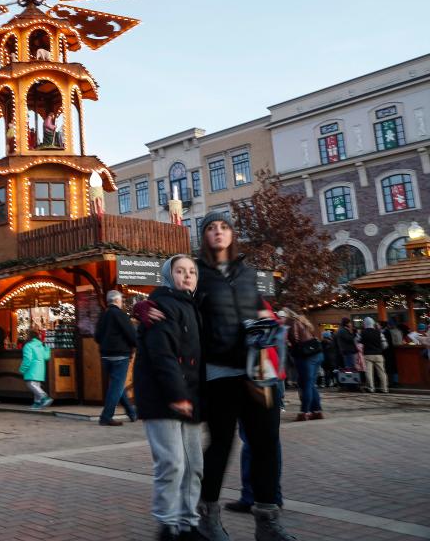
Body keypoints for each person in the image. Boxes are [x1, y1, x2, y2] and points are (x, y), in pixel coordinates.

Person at [141, 212, 296, 541]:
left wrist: (275, 324)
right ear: (204, 235)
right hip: (219, 374)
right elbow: (171, 294)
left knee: (266, 443)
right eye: (210, 228)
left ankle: (267, 520)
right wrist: (142, 306)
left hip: (258, 373)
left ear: (232, 234)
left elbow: (257, 308)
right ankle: (207, 516)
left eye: (223, 227)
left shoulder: (247, 273)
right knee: (221, 445)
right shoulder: (197, 274)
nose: (218, 232)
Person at [133, 255, 205, 541]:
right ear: (167, 275)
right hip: (164, 398)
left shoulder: (194, 307)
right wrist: (177, 394)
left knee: (193, 465)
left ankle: (189, 524)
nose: (187, 276)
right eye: (180, 271)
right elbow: (162, 354)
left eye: (192, 271)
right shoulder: (159, 306)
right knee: (172, 463)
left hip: (190, 396)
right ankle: (168, 525)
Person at [94, 289, 138, 426]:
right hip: (120, 356)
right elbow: (131, 334)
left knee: (117, 385)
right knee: (116, 386)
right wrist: (135, 345)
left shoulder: (103, 315)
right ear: (118, 301)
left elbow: (97, 336)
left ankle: (132, 413)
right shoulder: (121, 315)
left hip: (106, 356)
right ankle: (106, 417)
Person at [287, 312, 324, 420]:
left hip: (306, 356)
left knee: (306, 384)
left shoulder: (293, 322)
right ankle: (317, 411)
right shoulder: (304, 321)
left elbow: (295, 339)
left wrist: (289, 342)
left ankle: (304, 412)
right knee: (311, 384)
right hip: (317, 354)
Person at [20, 328, 52, 410]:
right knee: (36, 385)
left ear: (28, 336)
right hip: (40, 369)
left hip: (32, 369)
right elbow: (46, 357)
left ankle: (44, 397)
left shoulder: (28, 345)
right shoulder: (41, 345)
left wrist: (22, 369)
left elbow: (27, 359)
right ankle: (37, 403)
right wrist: (47, 349)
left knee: (31, 384)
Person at [360, 317, 389, 393]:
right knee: (382, 372)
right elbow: (385, 345)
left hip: (367, 355)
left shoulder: (362, 333)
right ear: (373, 323)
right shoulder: (379, 333)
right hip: (378, 354)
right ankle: (384, 389)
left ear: (365, 324)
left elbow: (357, 342)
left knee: (369, 372)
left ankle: (371, 388)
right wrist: (380, 349)